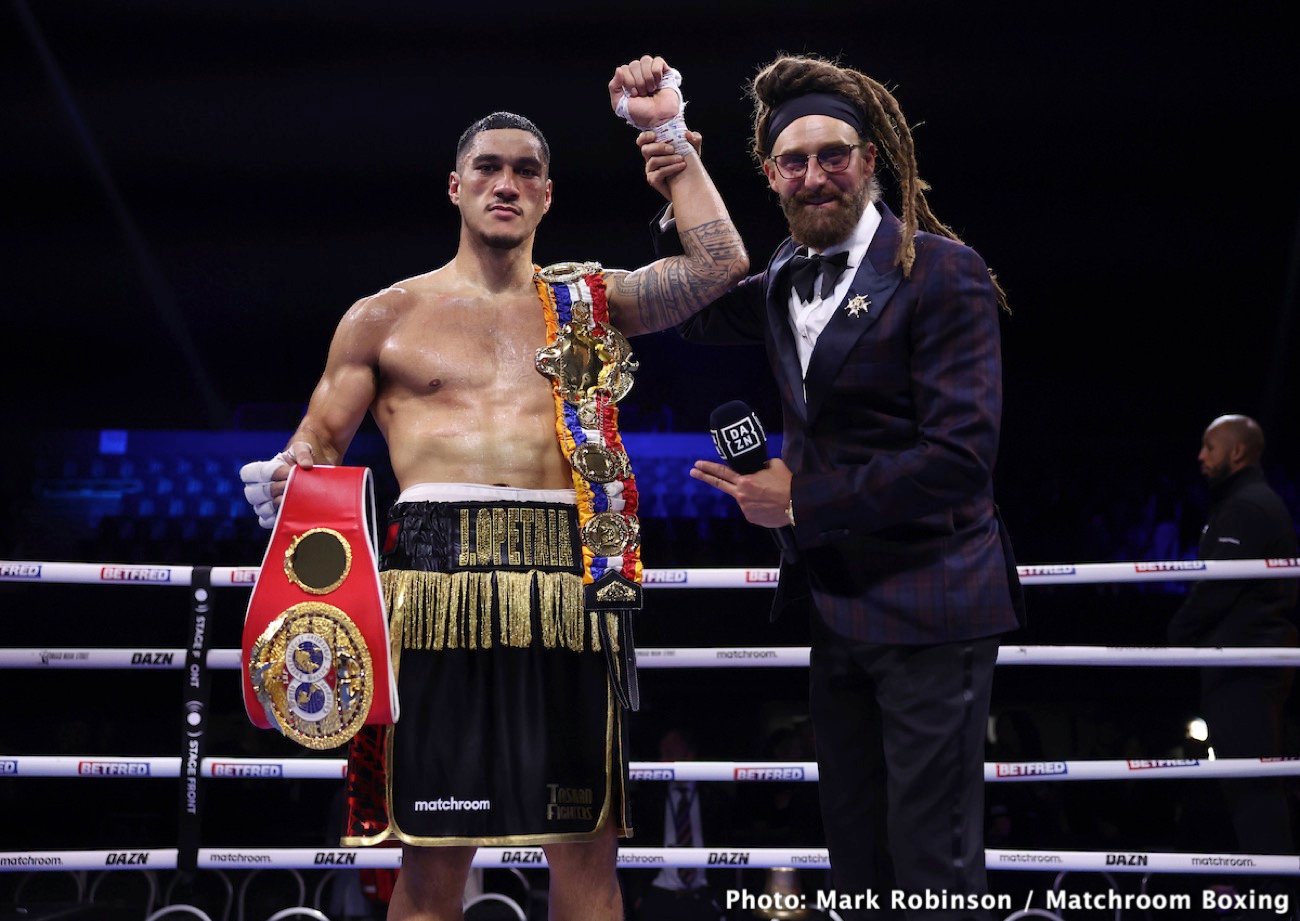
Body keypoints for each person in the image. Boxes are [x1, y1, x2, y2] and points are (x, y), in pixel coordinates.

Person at [239, 56, 748, 921]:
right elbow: (318, 441)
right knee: (431, 865)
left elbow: (719, 263)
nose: (505, 183)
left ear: (547, 195)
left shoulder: (590, 302)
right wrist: (288, 472)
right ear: (455, 186)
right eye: (487, 167)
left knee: (587, 855)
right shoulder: (384, 316)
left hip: (569, 589)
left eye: (525, 171)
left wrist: (667, 133)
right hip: (432, 591)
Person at [642, 54, 1024, 919]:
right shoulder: (784, 269)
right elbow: (695, 309)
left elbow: (961, 456)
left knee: (932, 854)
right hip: (837, 603)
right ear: (771, 174)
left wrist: (799, 502)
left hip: (934, 601)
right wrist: (677, 172)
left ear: (871, 159)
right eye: (794, 161)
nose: (815, 176)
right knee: (856, 848)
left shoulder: (942, 268)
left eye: (833, 155)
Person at [1167, 415, 1298, 858]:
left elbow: (1216, 589)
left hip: (1247, 662)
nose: (1200, 456)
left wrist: (1173, 637)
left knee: (1252, 786)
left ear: (1237, 452)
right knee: (1247, 784)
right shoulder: (1242, 503)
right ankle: (1270, 887)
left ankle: (1275, 891)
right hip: (1244, 659)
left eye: (1210, 446)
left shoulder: (1247, 506)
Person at [624, 725, 734, 921]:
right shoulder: (649, 798)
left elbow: (728, 842)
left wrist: (721, 899)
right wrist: (639, 897)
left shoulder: (714, 797)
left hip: (705, 894)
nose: (662, 761)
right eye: (661, 754)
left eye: (669, 754)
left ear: (689, 756)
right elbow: (634, 842)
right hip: (658, 893)